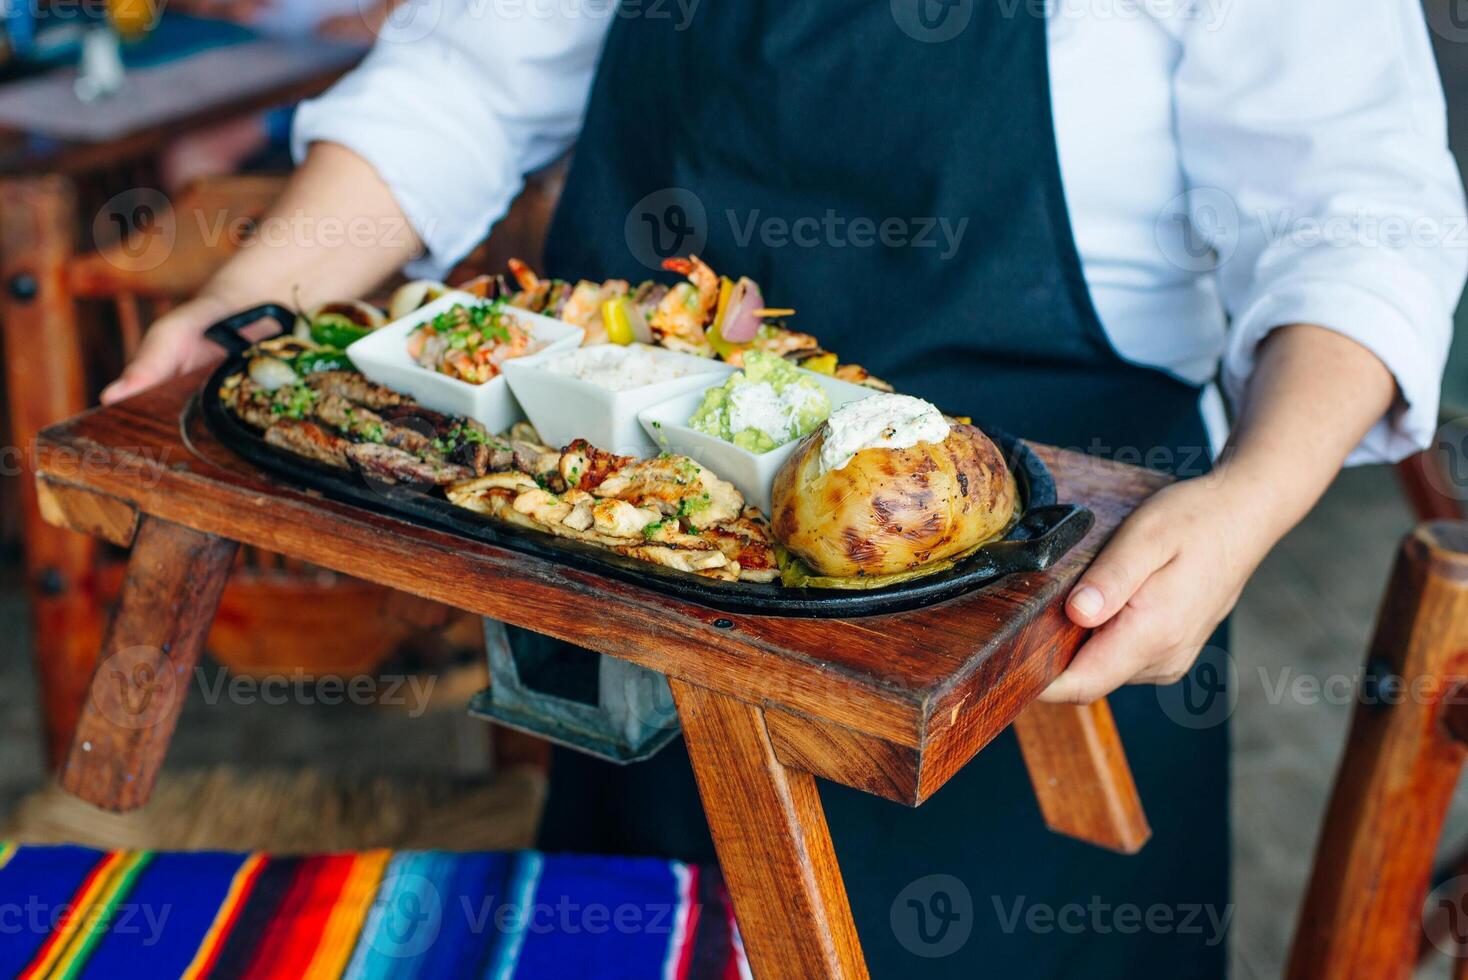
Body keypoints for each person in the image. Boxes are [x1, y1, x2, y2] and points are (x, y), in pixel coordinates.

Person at [101, 0, 1466, 975]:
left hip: (1057, 603)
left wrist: (1253, 496)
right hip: (649, 571)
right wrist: (248, 305)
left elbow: (1353, 213)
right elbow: (462, 75)